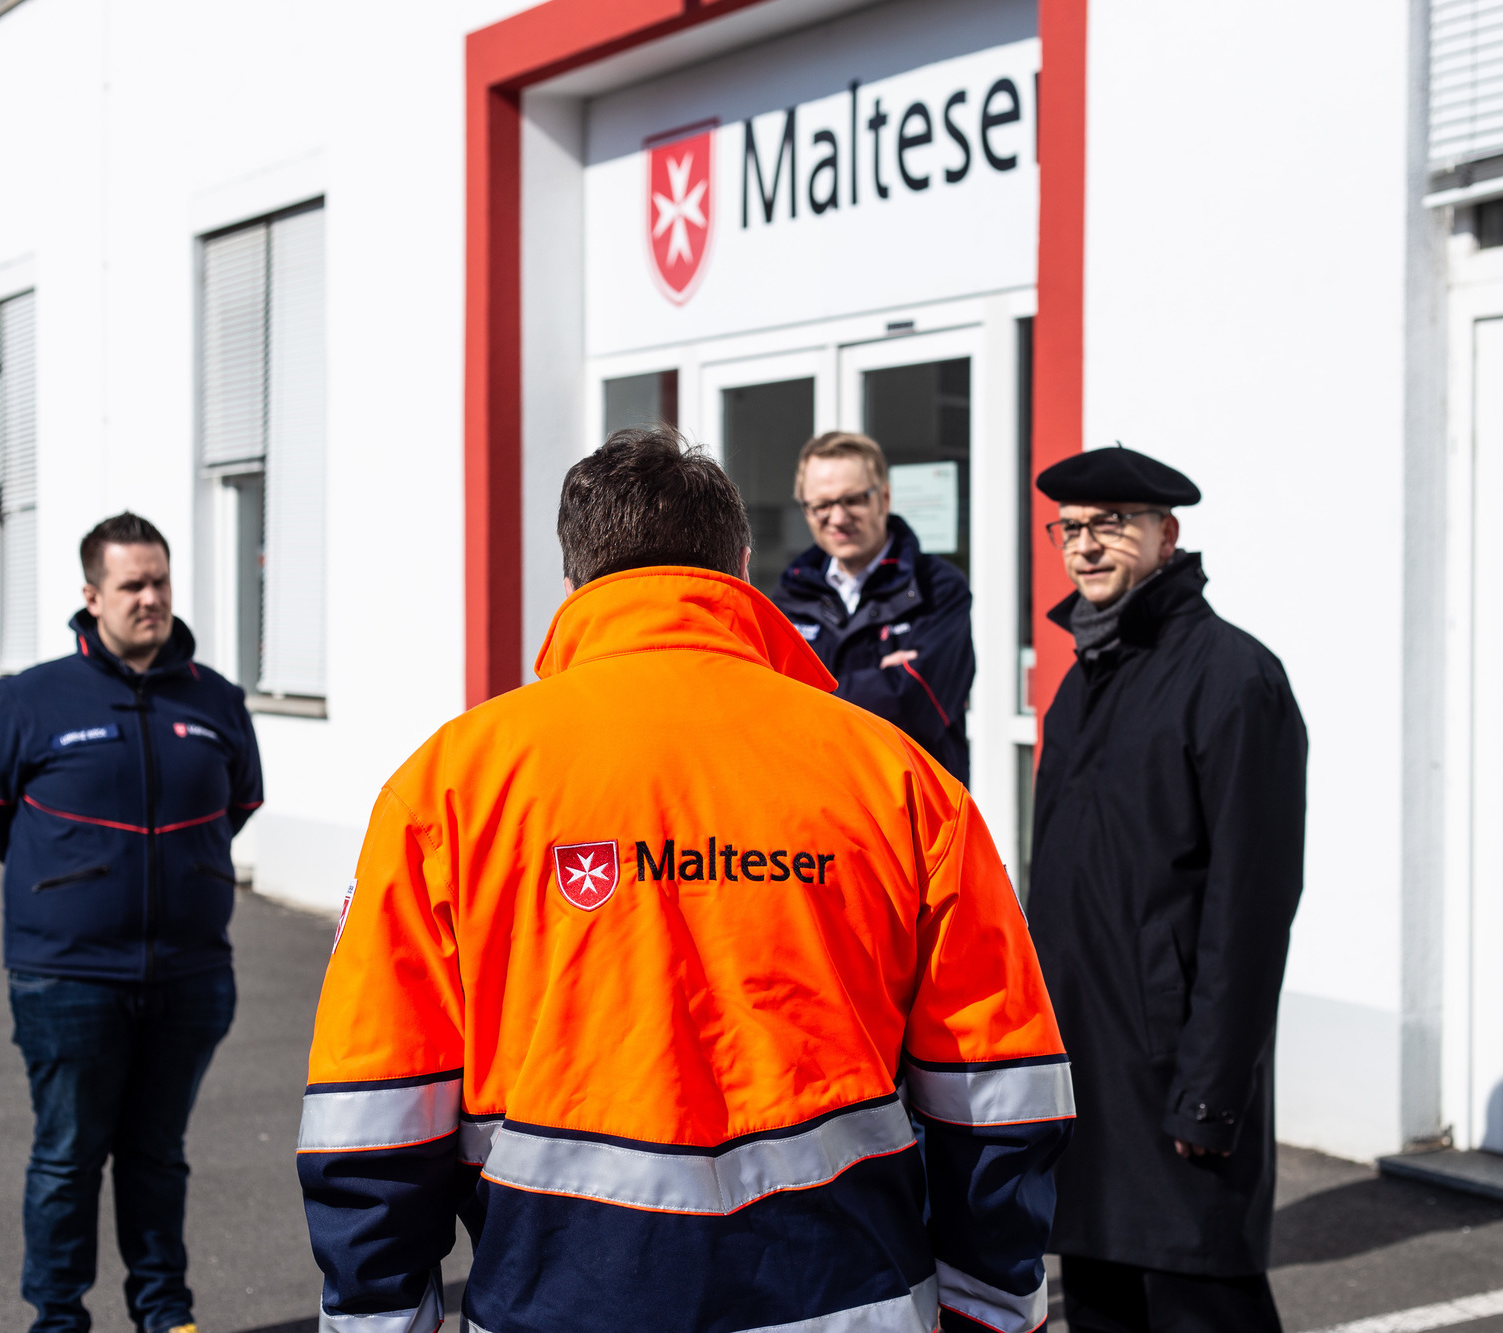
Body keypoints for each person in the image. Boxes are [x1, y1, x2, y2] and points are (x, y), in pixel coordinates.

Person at [298, 429, 1072, 1333]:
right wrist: (987, 1312)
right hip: (849, 1305)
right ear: (740, 566)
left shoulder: (450, 784)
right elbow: (999, 1092)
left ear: (574, 580)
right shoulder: (897, 778)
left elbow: (373, 1113)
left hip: (559, 1304)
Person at [0, 512, 264, 1333]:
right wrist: (68, 884)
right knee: (67, 1156)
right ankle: (57, 1318)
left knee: (158, 1155)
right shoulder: (28, 699)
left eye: (160, 580)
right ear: (91, 595)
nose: (151, 598)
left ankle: (166, 1313)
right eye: (133, 584)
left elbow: (237, 804)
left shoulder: (216, 700)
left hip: (190, 973)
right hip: (67, 975)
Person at [1024, 447, 1307, 1333]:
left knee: (1201, 1302)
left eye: (1111, 524)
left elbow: (1250, 907)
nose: (1086, 546)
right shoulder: (1081, 684)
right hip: (1086, 1072)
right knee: (1101, 1309)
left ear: (1165, 534)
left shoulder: (1232, 679)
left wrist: (1209, 1089)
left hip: (1172, 1079)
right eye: (1070, 528)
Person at [771, 431, 974, 783]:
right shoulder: (790, 595)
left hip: (913, 810)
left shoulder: (938, 588)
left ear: (884, 498)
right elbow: (770, 709)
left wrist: (807, 694)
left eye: (852, 500)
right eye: (821, 505)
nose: (837, 518)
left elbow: (917, 706)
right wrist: (881, 681)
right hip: (821, 802)